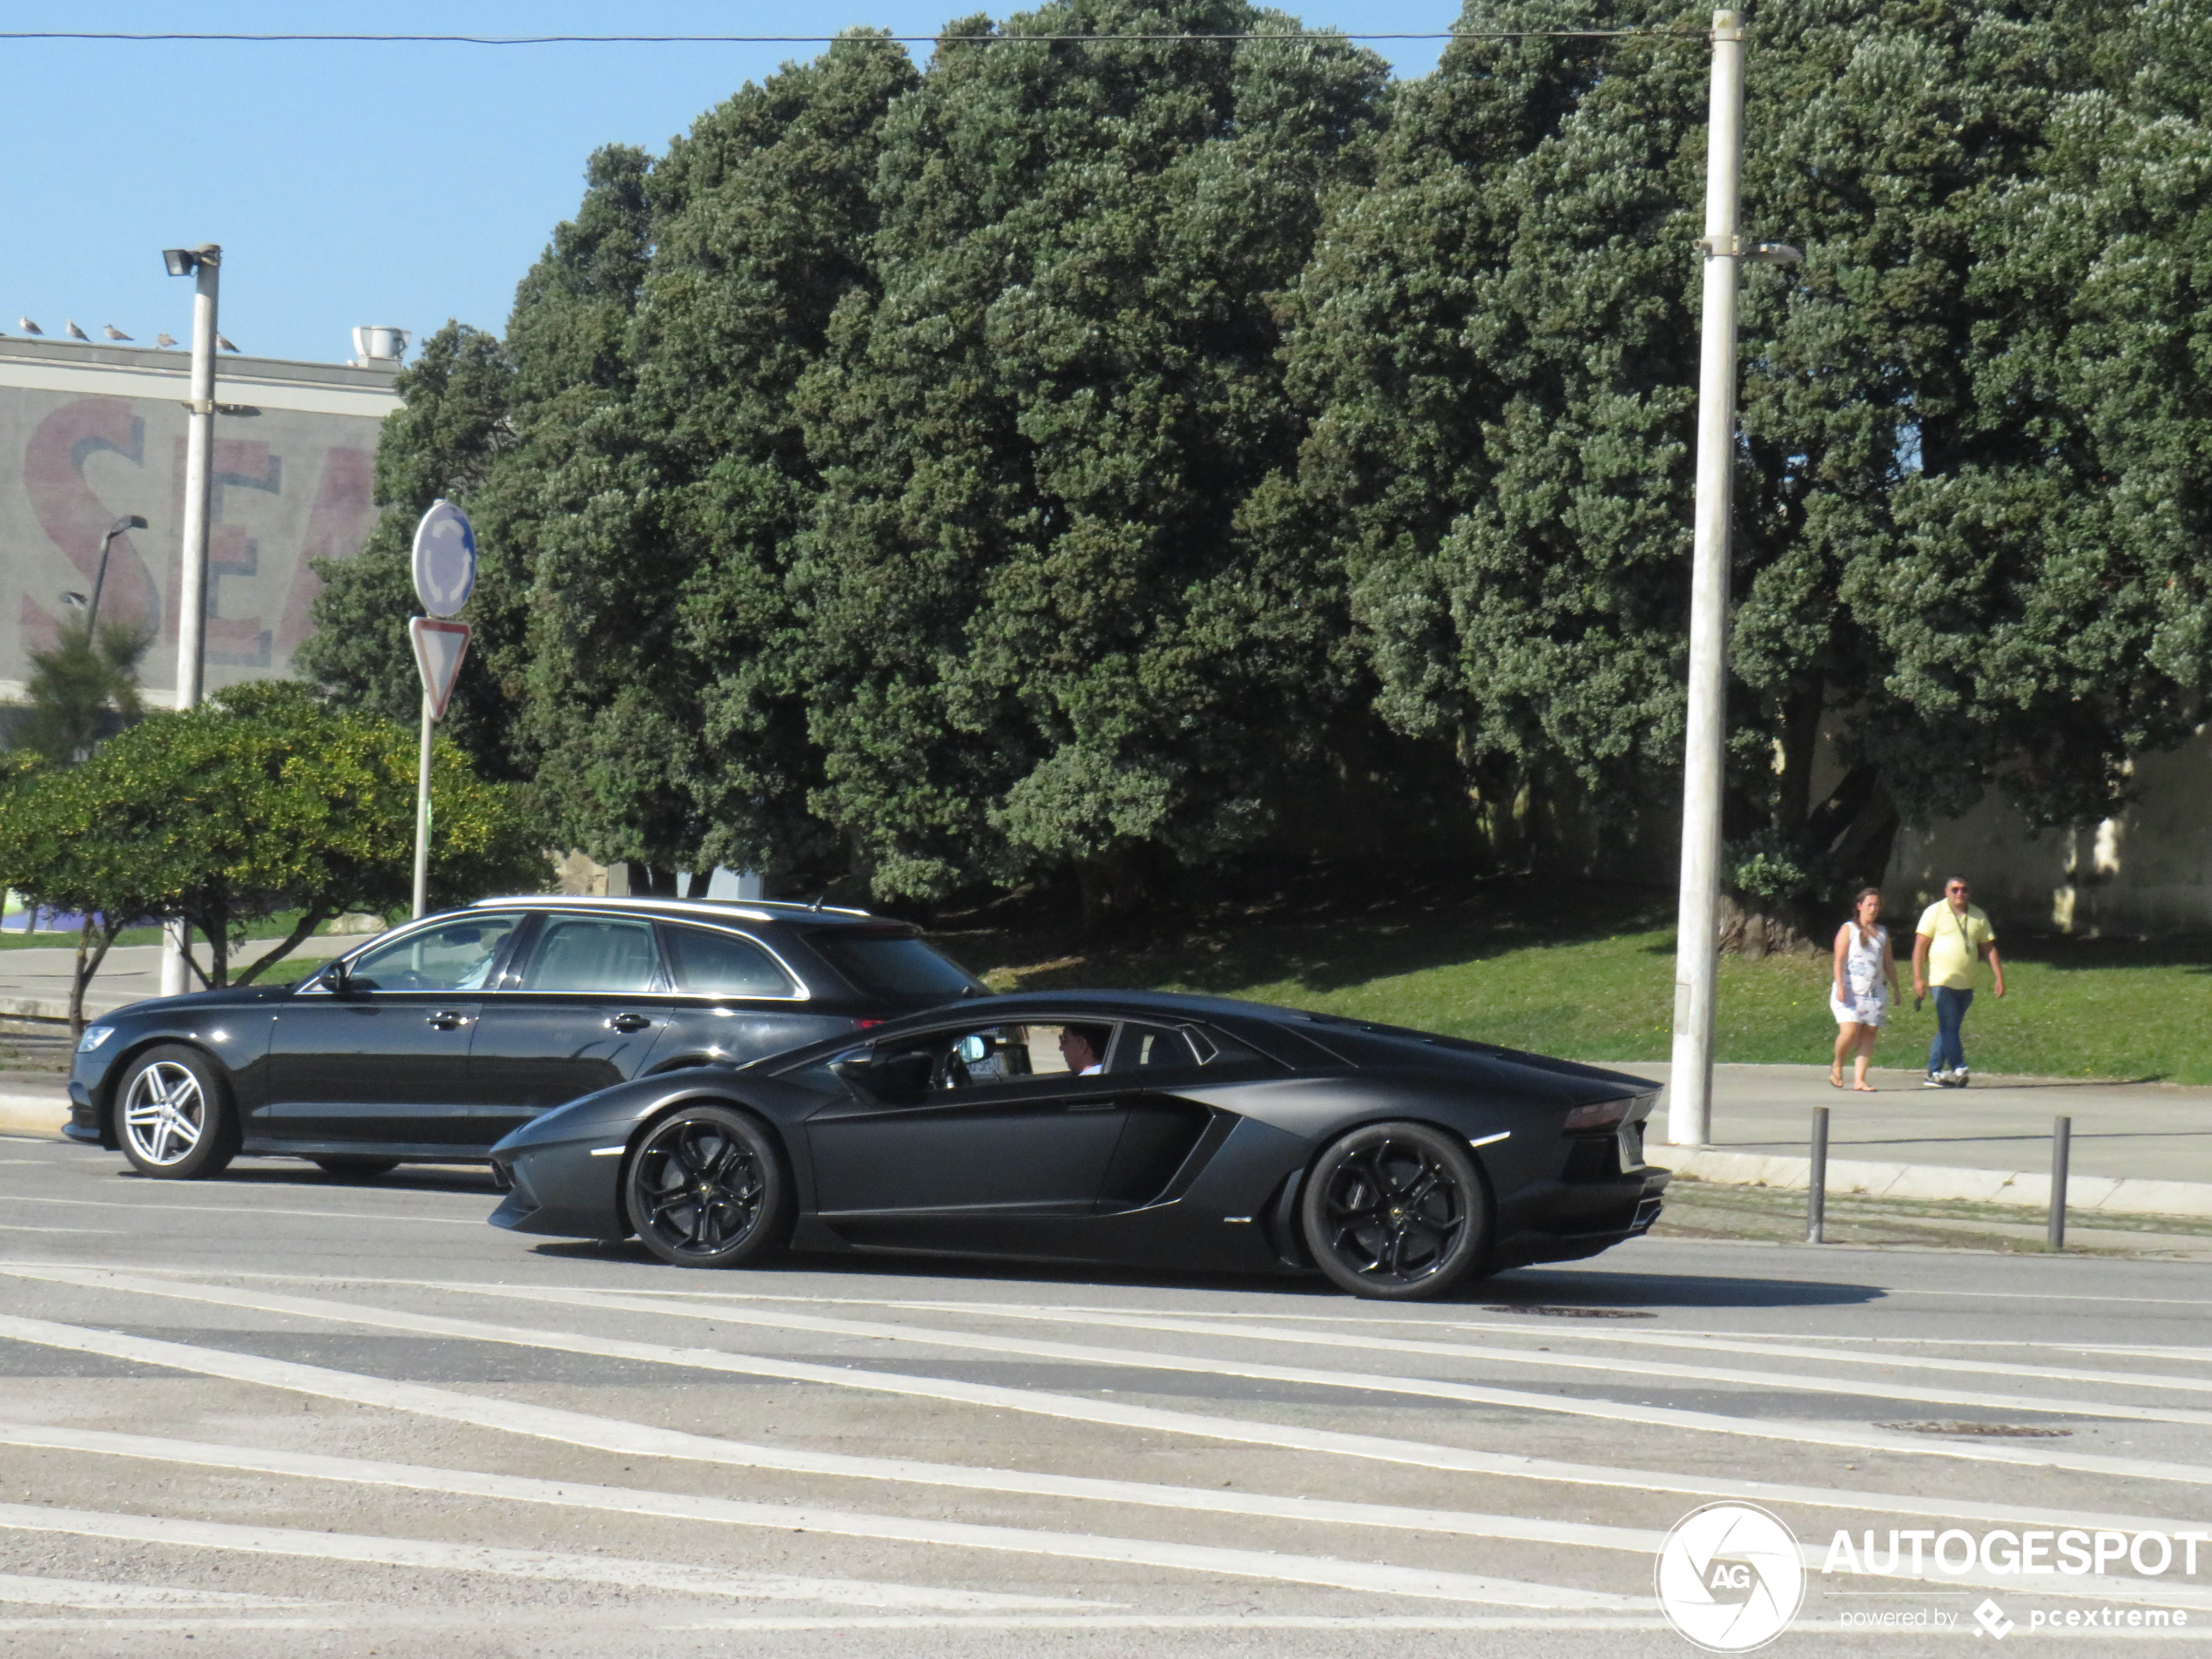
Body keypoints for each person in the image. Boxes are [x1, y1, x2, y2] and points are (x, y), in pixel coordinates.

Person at [1912, 875, 2005, 1088]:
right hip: (1941, 981)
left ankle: (1934, 1073)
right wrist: (1918, 978)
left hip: (1966, 983)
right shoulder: (1934, 912)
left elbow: (1988, 947)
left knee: (1948, 1028)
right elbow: (1920, 946)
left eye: (1964, 889)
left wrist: (1998, 977)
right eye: (1954, 890)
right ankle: (1958, 1066)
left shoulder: (1977, 915)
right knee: (1949, 1027)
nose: (1959, 894)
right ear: (1946, 892)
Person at [1829, 887, 1898, 1092]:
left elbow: (1888, 962)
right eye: (1870, 904)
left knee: (1869, 1033)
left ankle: (1860, 1079)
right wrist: (1840, 985)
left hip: (1874, 992)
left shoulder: (1882, 933)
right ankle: (1838, 1064)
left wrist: (1896, 988)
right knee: (1849, 1032)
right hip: (1850, 990)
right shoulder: (1848, 929)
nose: (1873, 909)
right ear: (1859, 906)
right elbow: (1839, 959)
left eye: (1877, 905)